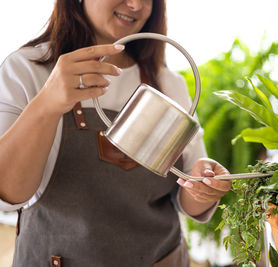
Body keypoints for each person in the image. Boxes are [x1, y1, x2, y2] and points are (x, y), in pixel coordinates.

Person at [0, 0, 232, 266]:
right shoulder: (28, 69)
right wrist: (47, 104)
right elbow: (7, 196)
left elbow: (188, 197)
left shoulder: (169, 84)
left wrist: (204, 185)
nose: (136, 4)